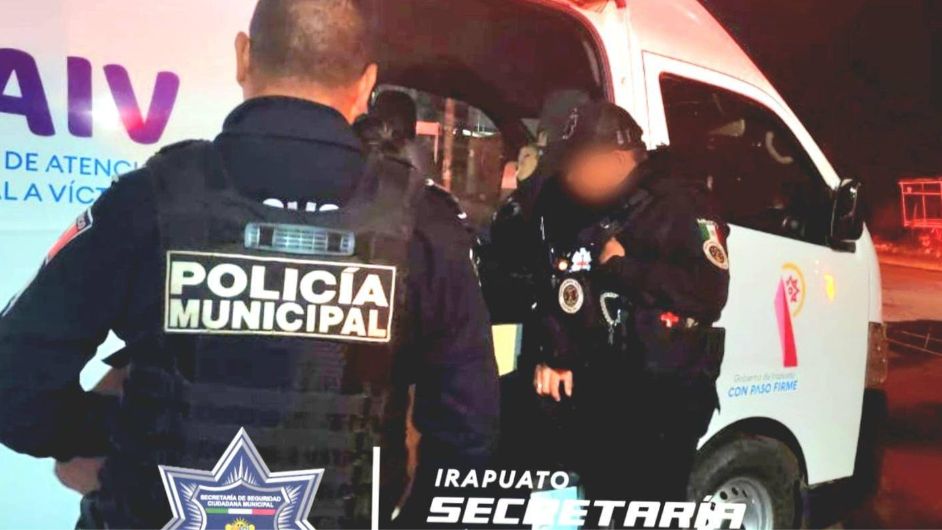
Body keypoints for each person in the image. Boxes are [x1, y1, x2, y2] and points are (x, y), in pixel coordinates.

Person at [0, 1, 499, 528]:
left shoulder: (147, 200)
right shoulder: (424, 224)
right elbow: (469, 432)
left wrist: (123, 430)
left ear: (243, 56)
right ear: (365, 83)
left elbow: (16, 387)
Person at [489, 101, 729, 509]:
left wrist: (622, 267)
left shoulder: (679, 204)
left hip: (659, 402)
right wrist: (554, 354)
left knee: (643, 510)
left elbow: (708, 291)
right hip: (600, 388)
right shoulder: (584, 204)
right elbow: (563, 282)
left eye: (578, 166)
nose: (570, 177)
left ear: (616, 160)